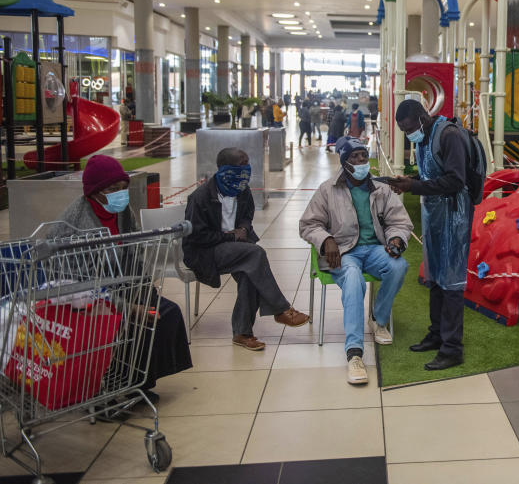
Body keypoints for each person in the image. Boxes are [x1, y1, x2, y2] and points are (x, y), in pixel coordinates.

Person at [48, 155, 192, 395]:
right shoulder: (76, 224)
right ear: (94, 191)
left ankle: (139, 382)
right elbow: (80, 285)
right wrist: (129, 307)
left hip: (120, 285)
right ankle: (116, 385)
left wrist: (145, 291)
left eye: (123, 187)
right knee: (134, 321)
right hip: (82, 300)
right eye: (113, 189)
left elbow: (133, 253)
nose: (120, 194)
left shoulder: (122, 212)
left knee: (166, 313)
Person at [299, 137, 413, 384]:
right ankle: (354, 354)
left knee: (399, 266)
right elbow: (308, 224)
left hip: (373, 249)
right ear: (344, 162)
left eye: (364, 155)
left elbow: (400, 222)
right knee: (352, 281)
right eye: (355, 157)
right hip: (343, 252)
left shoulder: (380, 189)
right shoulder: (328, 189)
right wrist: (326, 239)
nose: (362, 161)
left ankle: (378, 320)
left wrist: (395, 239)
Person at [182, 148, 309, 350]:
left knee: (250, 271)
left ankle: (242, 333)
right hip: (205, 252)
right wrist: (229, 236)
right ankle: (281, 308)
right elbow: (196, 236)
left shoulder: (242, 190)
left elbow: (246, 217)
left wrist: (242, 229)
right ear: (225, 168)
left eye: (247, 164)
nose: (246, 169)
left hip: (232, 247)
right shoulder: (200, 197)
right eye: (241, 164)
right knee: (255, 253)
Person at [387, 99, 472, 371]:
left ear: (423, 117)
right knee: (434, 277)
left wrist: (413, 186)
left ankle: (452, 348)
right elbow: (429, 174)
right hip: (433, 216)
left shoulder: (450, 135)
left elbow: (456, 180)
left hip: (454, 216)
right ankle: (436, 334)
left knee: (452, 282)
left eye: (409, 127)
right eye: (403, 130)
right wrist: (410, 182)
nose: (408, 134)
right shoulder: (424, 137)